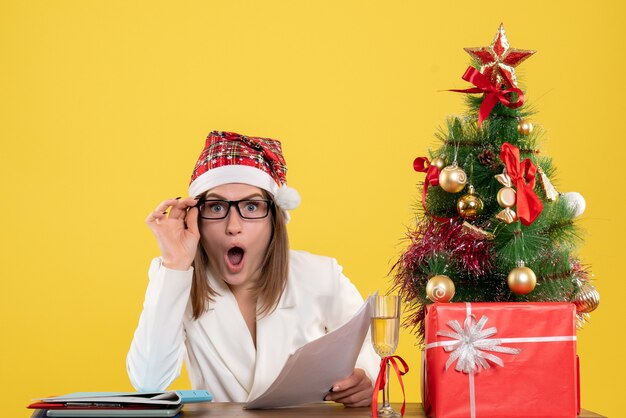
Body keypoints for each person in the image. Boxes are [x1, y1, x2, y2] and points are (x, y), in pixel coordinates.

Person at [127, 131, 379, 407]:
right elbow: (148, 381)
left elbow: (370, 342)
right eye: (216, 207)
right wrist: (175, 263)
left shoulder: (321, 275)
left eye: (251, 206)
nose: (233, 225)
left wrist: (367, 377)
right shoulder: (176, 280)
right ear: (195, 218)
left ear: (274, 219)